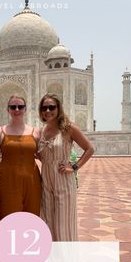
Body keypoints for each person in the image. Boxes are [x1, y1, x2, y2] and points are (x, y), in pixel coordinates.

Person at [38, 93, 94, 241]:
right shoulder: (42, 131)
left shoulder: (68, 128)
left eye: (52, 107)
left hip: (63, 181)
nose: (48, 111)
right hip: (46, 183)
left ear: (58, 108)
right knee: (48, 223)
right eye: (44, 108)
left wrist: (74, 167)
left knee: (64, 226)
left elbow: (90, 149)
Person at [0, 95, 41, 219]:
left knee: (32, 218)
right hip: (8, 181)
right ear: (8, 110)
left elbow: (44, 157)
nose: (17, 110)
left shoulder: (36, 132)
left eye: (20, 107)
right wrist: (7, 162)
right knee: (10, 218)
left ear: (25, 109)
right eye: (13, 107)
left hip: (33, 181)